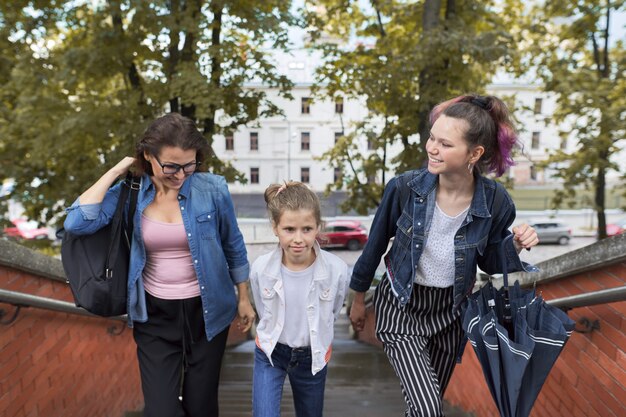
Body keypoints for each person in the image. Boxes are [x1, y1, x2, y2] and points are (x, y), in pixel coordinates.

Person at [349, 94, 539, 417]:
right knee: (427, 409)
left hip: (450, 316)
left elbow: (493, 263)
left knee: (423, 408)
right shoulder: (405, 188)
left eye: (445, 144)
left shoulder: (495, 202)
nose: (432, 148)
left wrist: (516, 245)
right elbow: (375, 244)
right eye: (432, 138)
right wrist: (357, 298)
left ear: (474, 153)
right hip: (402, 308)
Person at [63, 113, 256, 417]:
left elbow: (233, 244)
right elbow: (76, 223)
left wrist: (244, 297)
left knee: (201, 407)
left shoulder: (212, 189)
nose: (180, 175)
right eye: (171, 166)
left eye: (189, 165)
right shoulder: (131, 194)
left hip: (208, 312)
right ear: (148, 156)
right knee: (161, 411)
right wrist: (117, 170)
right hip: (154, 315)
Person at [249, 181, 349, 417]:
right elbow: (263, 310)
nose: (298, 239)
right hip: (271, 353)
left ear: (318, 227)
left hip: (311, 356)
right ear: (275, 227)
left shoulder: (337, 270)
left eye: (307, 229)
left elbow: (333, 311)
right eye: (289, 229)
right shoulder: (261, 269)